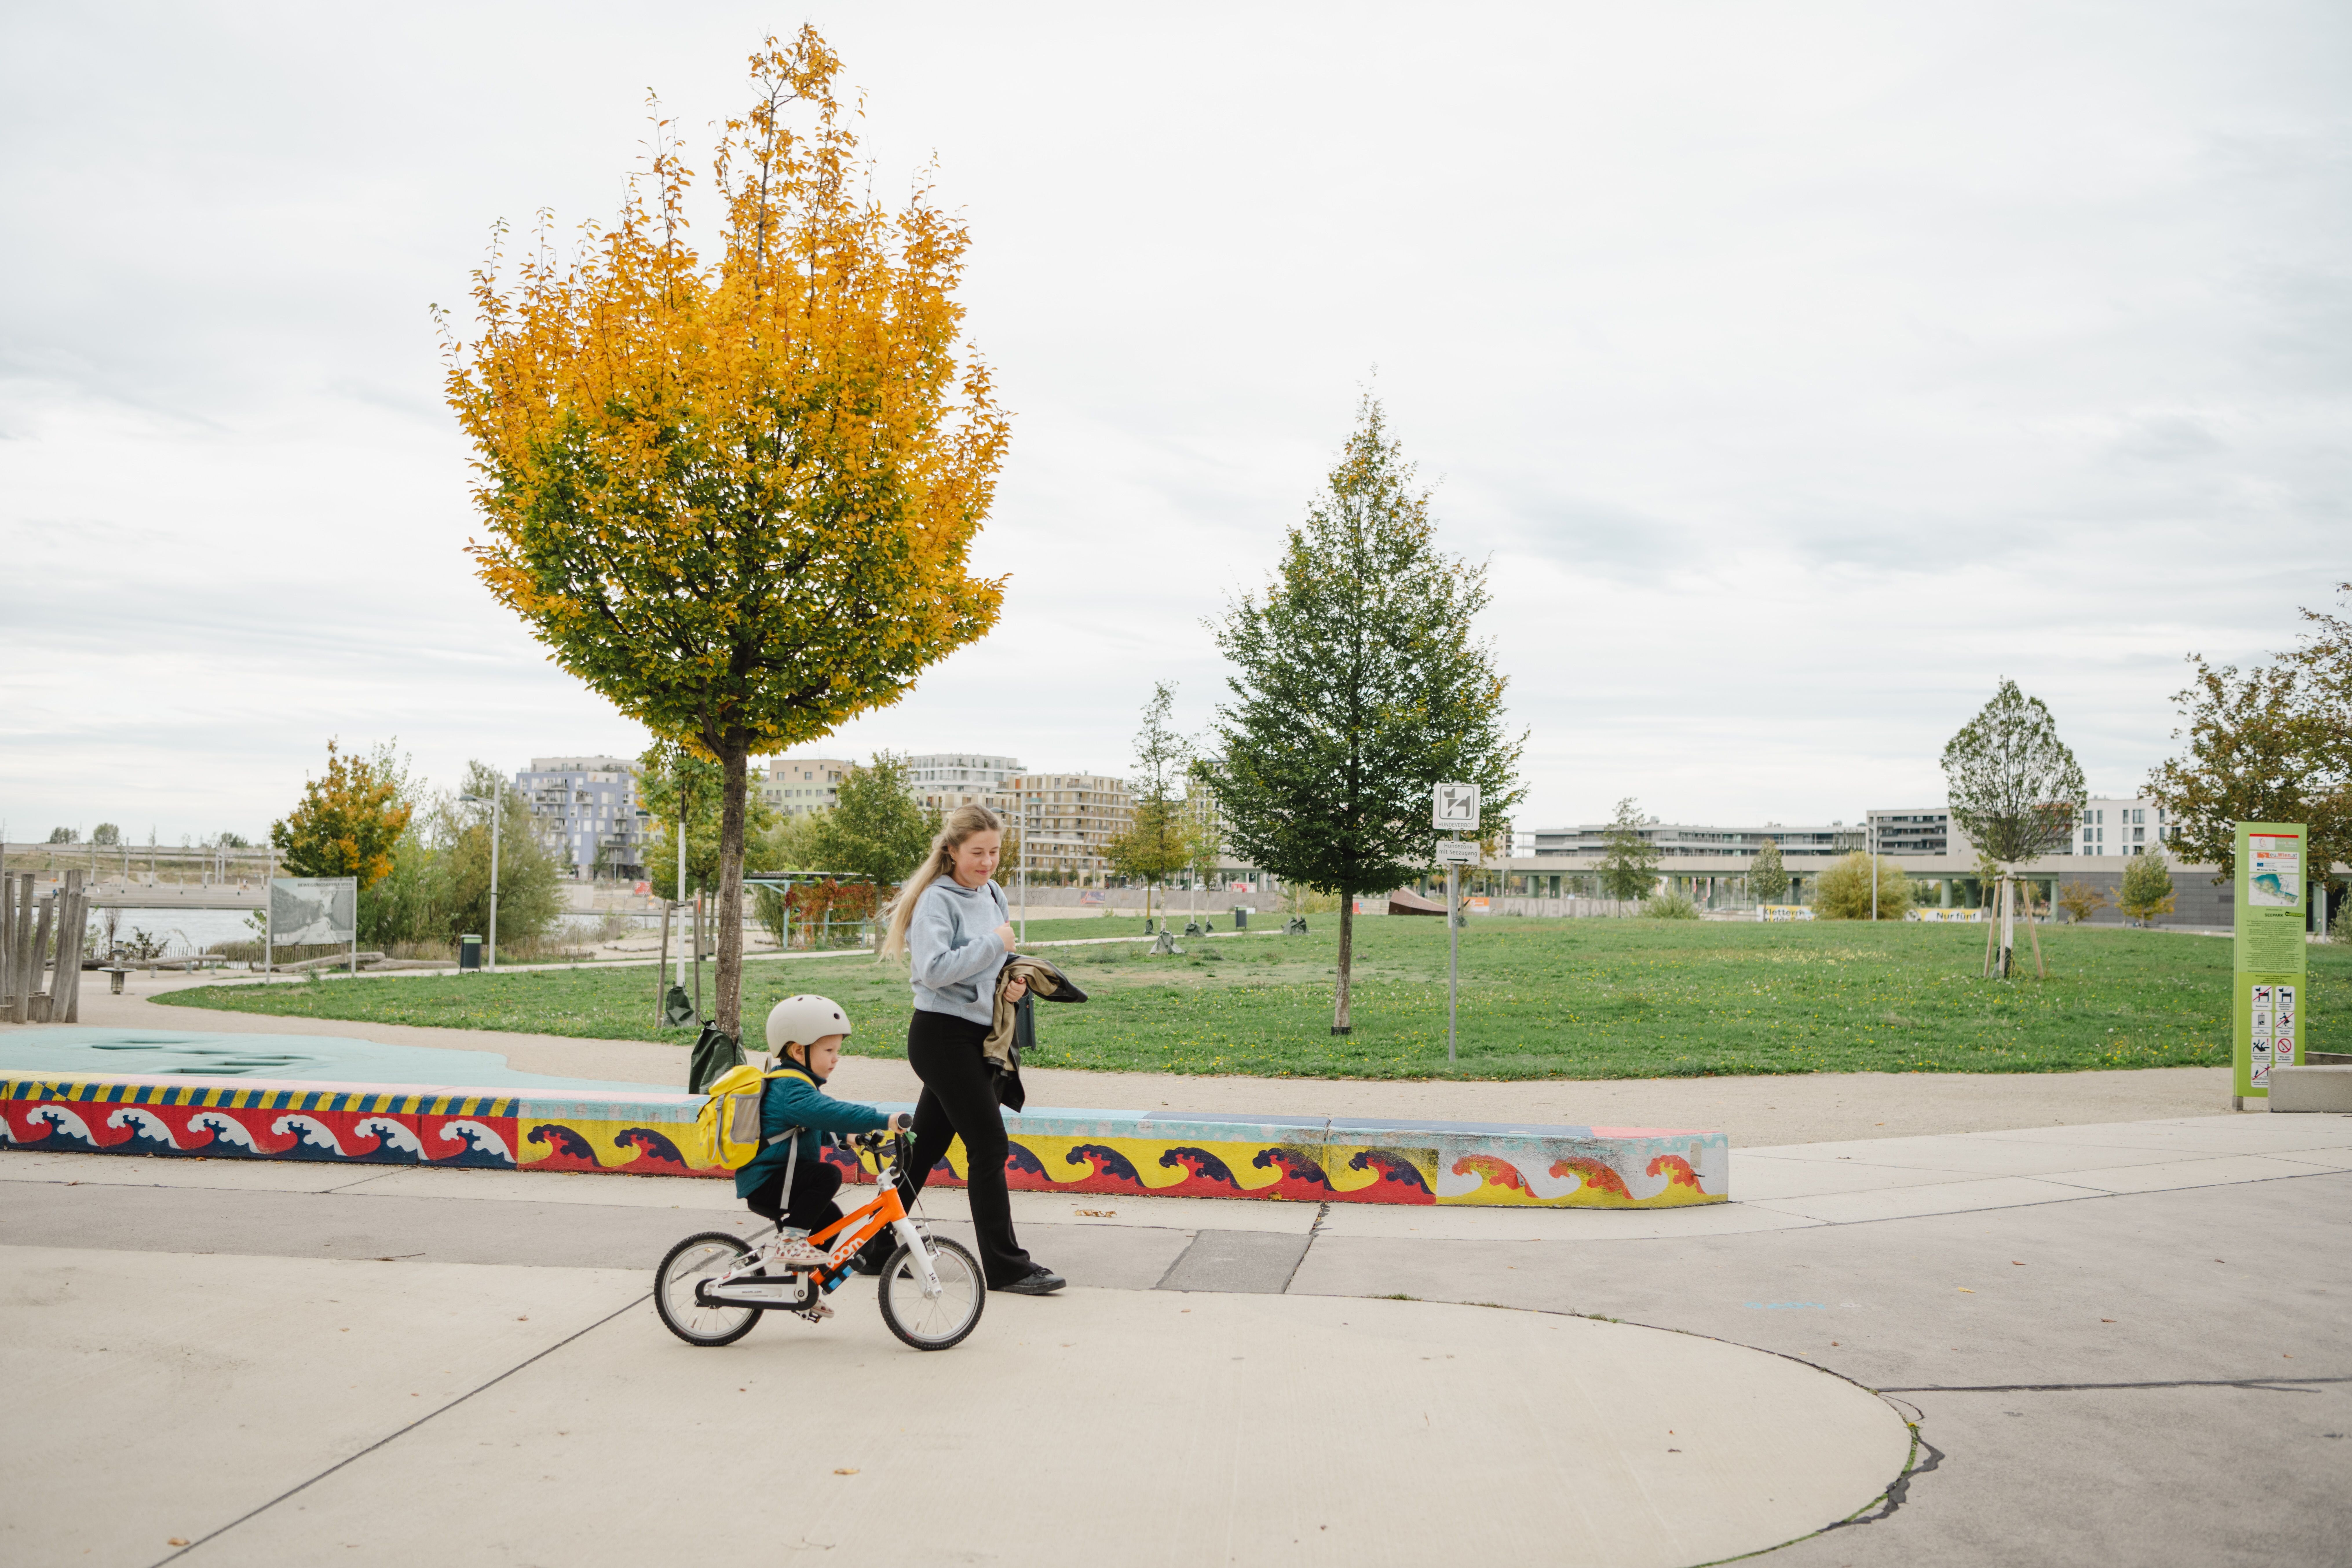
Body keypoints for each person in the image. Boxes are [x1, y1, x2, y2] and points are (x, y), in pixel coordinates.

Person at [879, 804, 1066, 1296]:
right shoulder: (937, 900)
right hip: (940, 1036)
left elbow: (991, 963)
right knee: (989, 1144)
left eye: (995, 851)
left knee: (923, 1151)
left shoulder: (993, 891)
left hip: (973, 1035)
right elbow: (933, 970)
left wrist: (1010, 984)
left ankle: (874, 1247)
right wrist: (994, 943)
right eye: (977, 852)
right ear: (952, 850)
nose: (987, 862)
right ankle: (1007, 1266)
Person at [736, 994, 910, 1313]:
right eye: (829, 1050)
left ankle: (804, 1289)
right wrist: (884, 1119)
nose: (836, 1058)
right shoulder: (792, 1088)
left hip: (781, 1179)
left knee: (830, 1217)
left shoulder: (798, 1086)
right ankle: (791, 1242)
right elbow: (831, 1112)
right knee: (828, 1175)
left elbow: (814, 1124)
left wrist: (851, 1137)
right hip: (769, 1181)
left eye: (837, 1051)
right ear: (798, 1050)